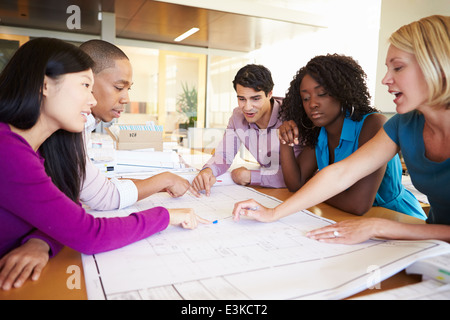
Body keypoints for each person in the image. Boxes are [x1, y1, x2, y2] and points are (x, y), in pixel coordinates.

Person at [0, 38, 208, 290]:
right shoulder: (9, 150)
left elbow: (67, 201)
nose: (91, 99)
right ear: (45, 85)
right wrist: (165, 217)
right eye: (85, 86)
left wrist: (41, 240)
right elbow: (89, 234)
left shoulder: (35, 150)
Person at [232, 15, 450, 245]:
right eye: (305, 98)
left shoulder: (377, 123)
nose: (386, 79)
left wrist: (380, 226)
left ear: (436, 65)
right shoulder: (403, 124)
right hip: (431, 246)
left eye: (398, 67)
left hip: (407, 229)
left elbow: (357, 202)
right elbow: (341, 174)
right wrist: (272, 213)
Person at [277, 54, 425, 219]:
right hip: (350, 221)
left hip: (398, 218)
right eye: (305, 98)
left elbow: (357, 204)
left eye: (322, 93)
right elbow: (296, 184)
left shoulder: (373, 124)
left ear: (341, 92)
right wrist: (285, 140)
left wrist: (315, 185)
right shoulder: (320, 131)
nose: (312, 104)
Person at [79, 39, 199, 211]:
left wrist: (156, 184)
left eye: (129, 89)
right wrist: (164, 180)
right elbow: (103, 197)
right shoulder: (71, 128)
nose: (126, 99)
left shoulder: (85, 126)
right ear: (86, 82)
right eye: (119, 87)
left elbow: (94, 184)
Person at [192, 64, 297, 195]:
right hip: (268, 192)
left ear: (270, 94)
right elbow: (224, 155)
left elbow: (300, 174)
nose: (247, 107)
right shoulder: (237, 116)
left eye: (255, 98)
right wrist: (208, 170)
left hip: (297, 193)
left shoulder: (292, 116)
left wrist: (251, 176)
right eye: (242, 99)